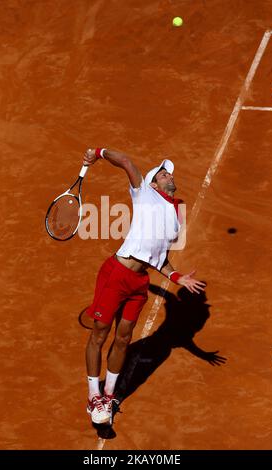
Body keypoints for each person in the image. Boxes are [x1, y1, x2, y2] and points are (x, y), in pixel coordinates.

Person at [83, 147, 206, 425]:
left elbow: (159, 260)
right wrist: (99, 153)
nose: (169, 177)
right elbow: (125, 160)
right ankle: (94, 396)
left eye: (169, 174)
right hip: (116, 274)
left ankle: (109, 395)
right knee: (100, 334)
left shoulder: (175, 221)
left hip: (139, 282)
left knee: (124, 337)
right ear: (152, 183)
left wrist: (178, 278)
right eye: (163, 174)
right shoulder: (144, 193)